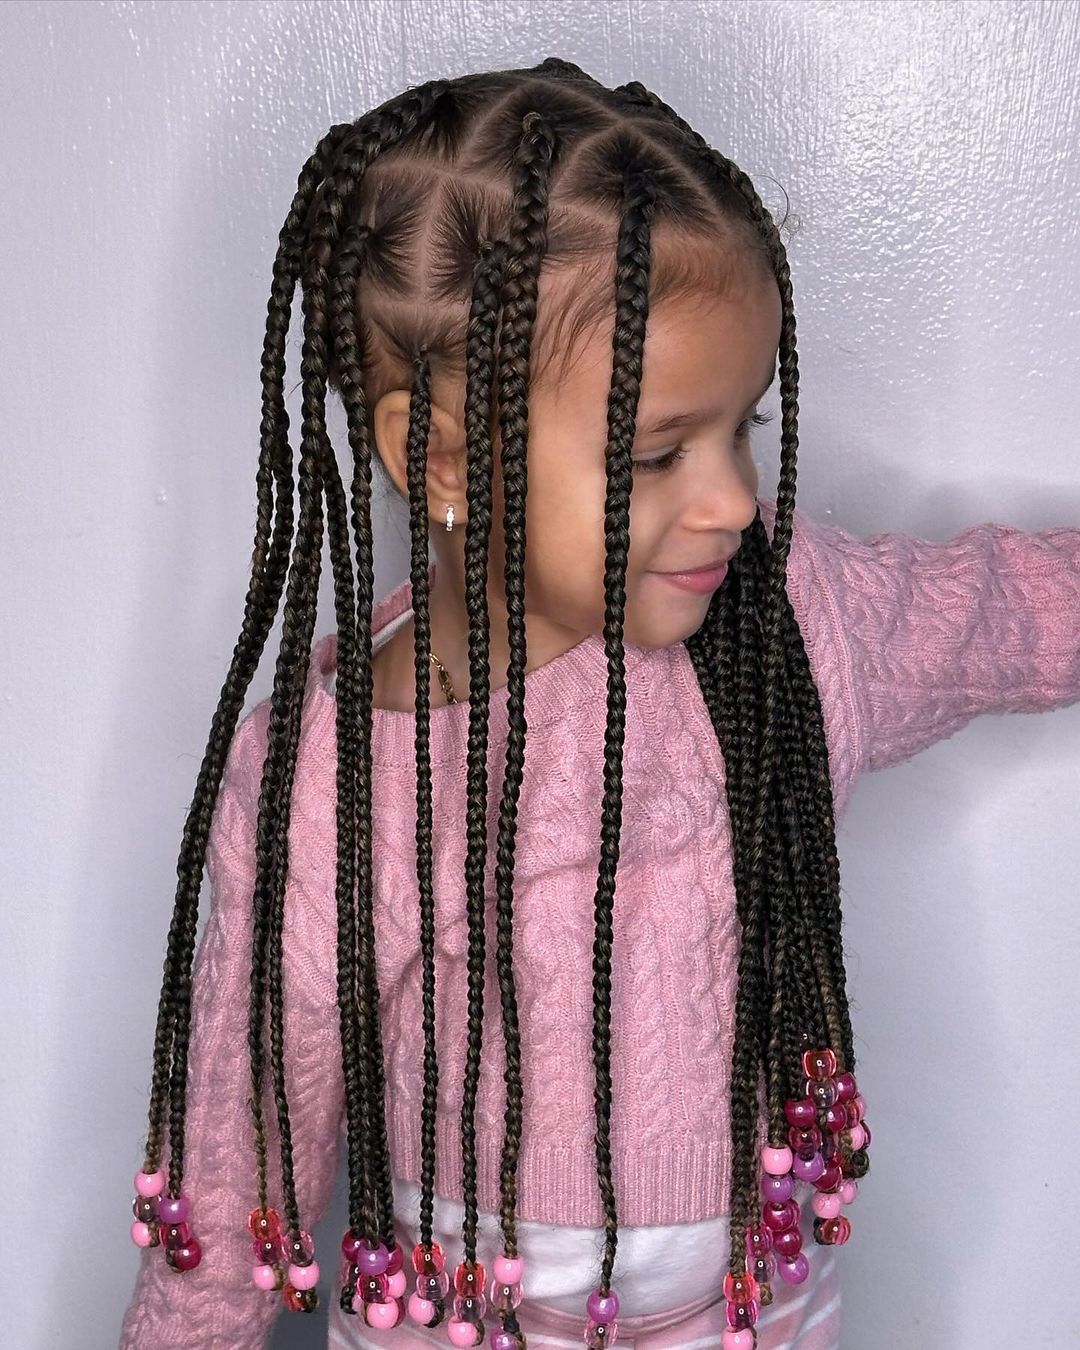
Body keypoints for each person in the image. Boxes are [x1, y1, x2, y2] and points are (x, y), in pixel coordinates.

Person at [118, 58, 1080, 1350]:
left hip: (761, 1316)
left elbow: (999, 615)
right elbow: (237, 1169)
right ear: (444, 458)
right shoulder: (341, 782)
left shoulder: (788, 624)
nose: (736, 495)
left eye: (744, 428)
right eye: (658, 450)